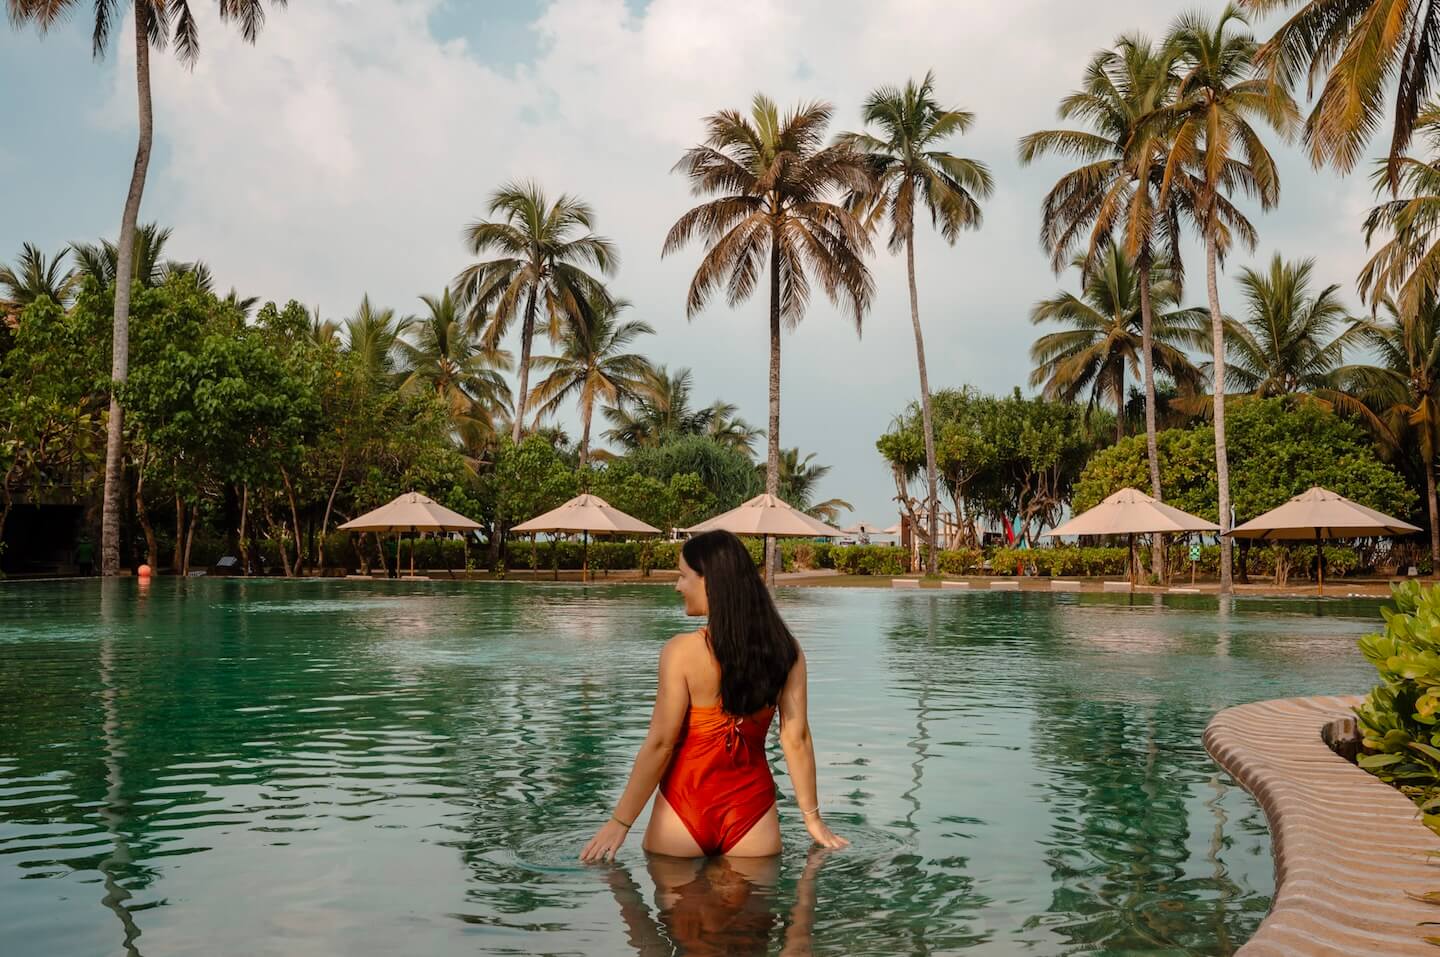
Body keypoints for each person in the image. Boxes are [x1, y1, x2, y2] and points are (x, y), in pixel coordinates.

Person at [580, 529, 847, 862]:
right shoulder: (785, 650)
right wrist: (813, 819)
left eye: (683, 575)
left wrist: (620, 822)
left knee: (679, 909)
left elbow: (661, 743)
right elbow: (796, 738)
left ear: (710, 582)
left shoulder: (681, 653)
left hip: (682, 812)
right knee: (750, 912)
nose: (677, 586)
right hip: (753, 817)